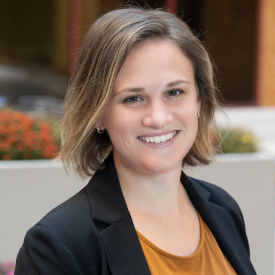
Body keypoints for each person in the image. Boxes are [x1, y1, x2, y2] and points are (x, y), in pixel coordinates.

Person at [15, 7, 257, 275]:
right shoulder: (59, 245)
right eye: (133, 98)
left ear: (199, 100)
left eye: (174, 92)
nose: (158, 118)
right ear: (99, 114)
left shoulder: (224, 208)